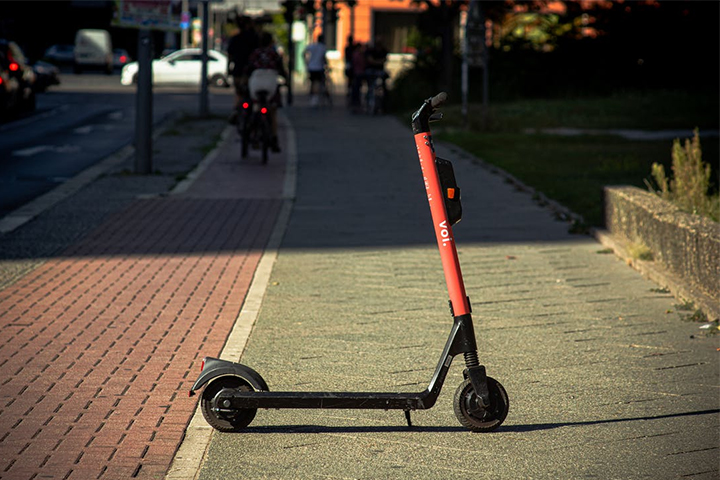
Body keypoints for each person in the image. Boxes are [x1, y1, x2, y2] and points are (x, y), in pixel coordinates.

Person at [247, 31, 286, 152]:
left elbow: (248, 68)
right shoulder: (274, 54)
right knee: (273, 112)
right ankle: (274, 139)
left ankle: (253, 131)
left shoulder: (255, 53)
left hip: (256, 82)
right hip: (270, 83)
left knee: (254, 104)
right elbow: (281, 69)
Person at [227, 17, 258, 123]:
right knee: (253, 93)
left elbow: (230, 56)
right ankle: (255, 113)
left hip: (238, 69)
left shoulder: (235, 39)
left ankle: (236, 110)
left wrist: (229, 69)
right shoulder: (255, 38)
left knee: (239, 92)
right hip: (253, 71)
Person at [303, 34, 327, 106]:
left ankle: (313, 96)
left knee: (313, 82)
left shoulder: (312, 46)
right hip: (319, 67)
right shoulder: (322, 47)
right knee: (317, 82)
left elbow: (304, 52)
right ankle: (315, 97)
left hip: (311, 67)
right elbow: (324, 58)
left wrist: (306, 62)